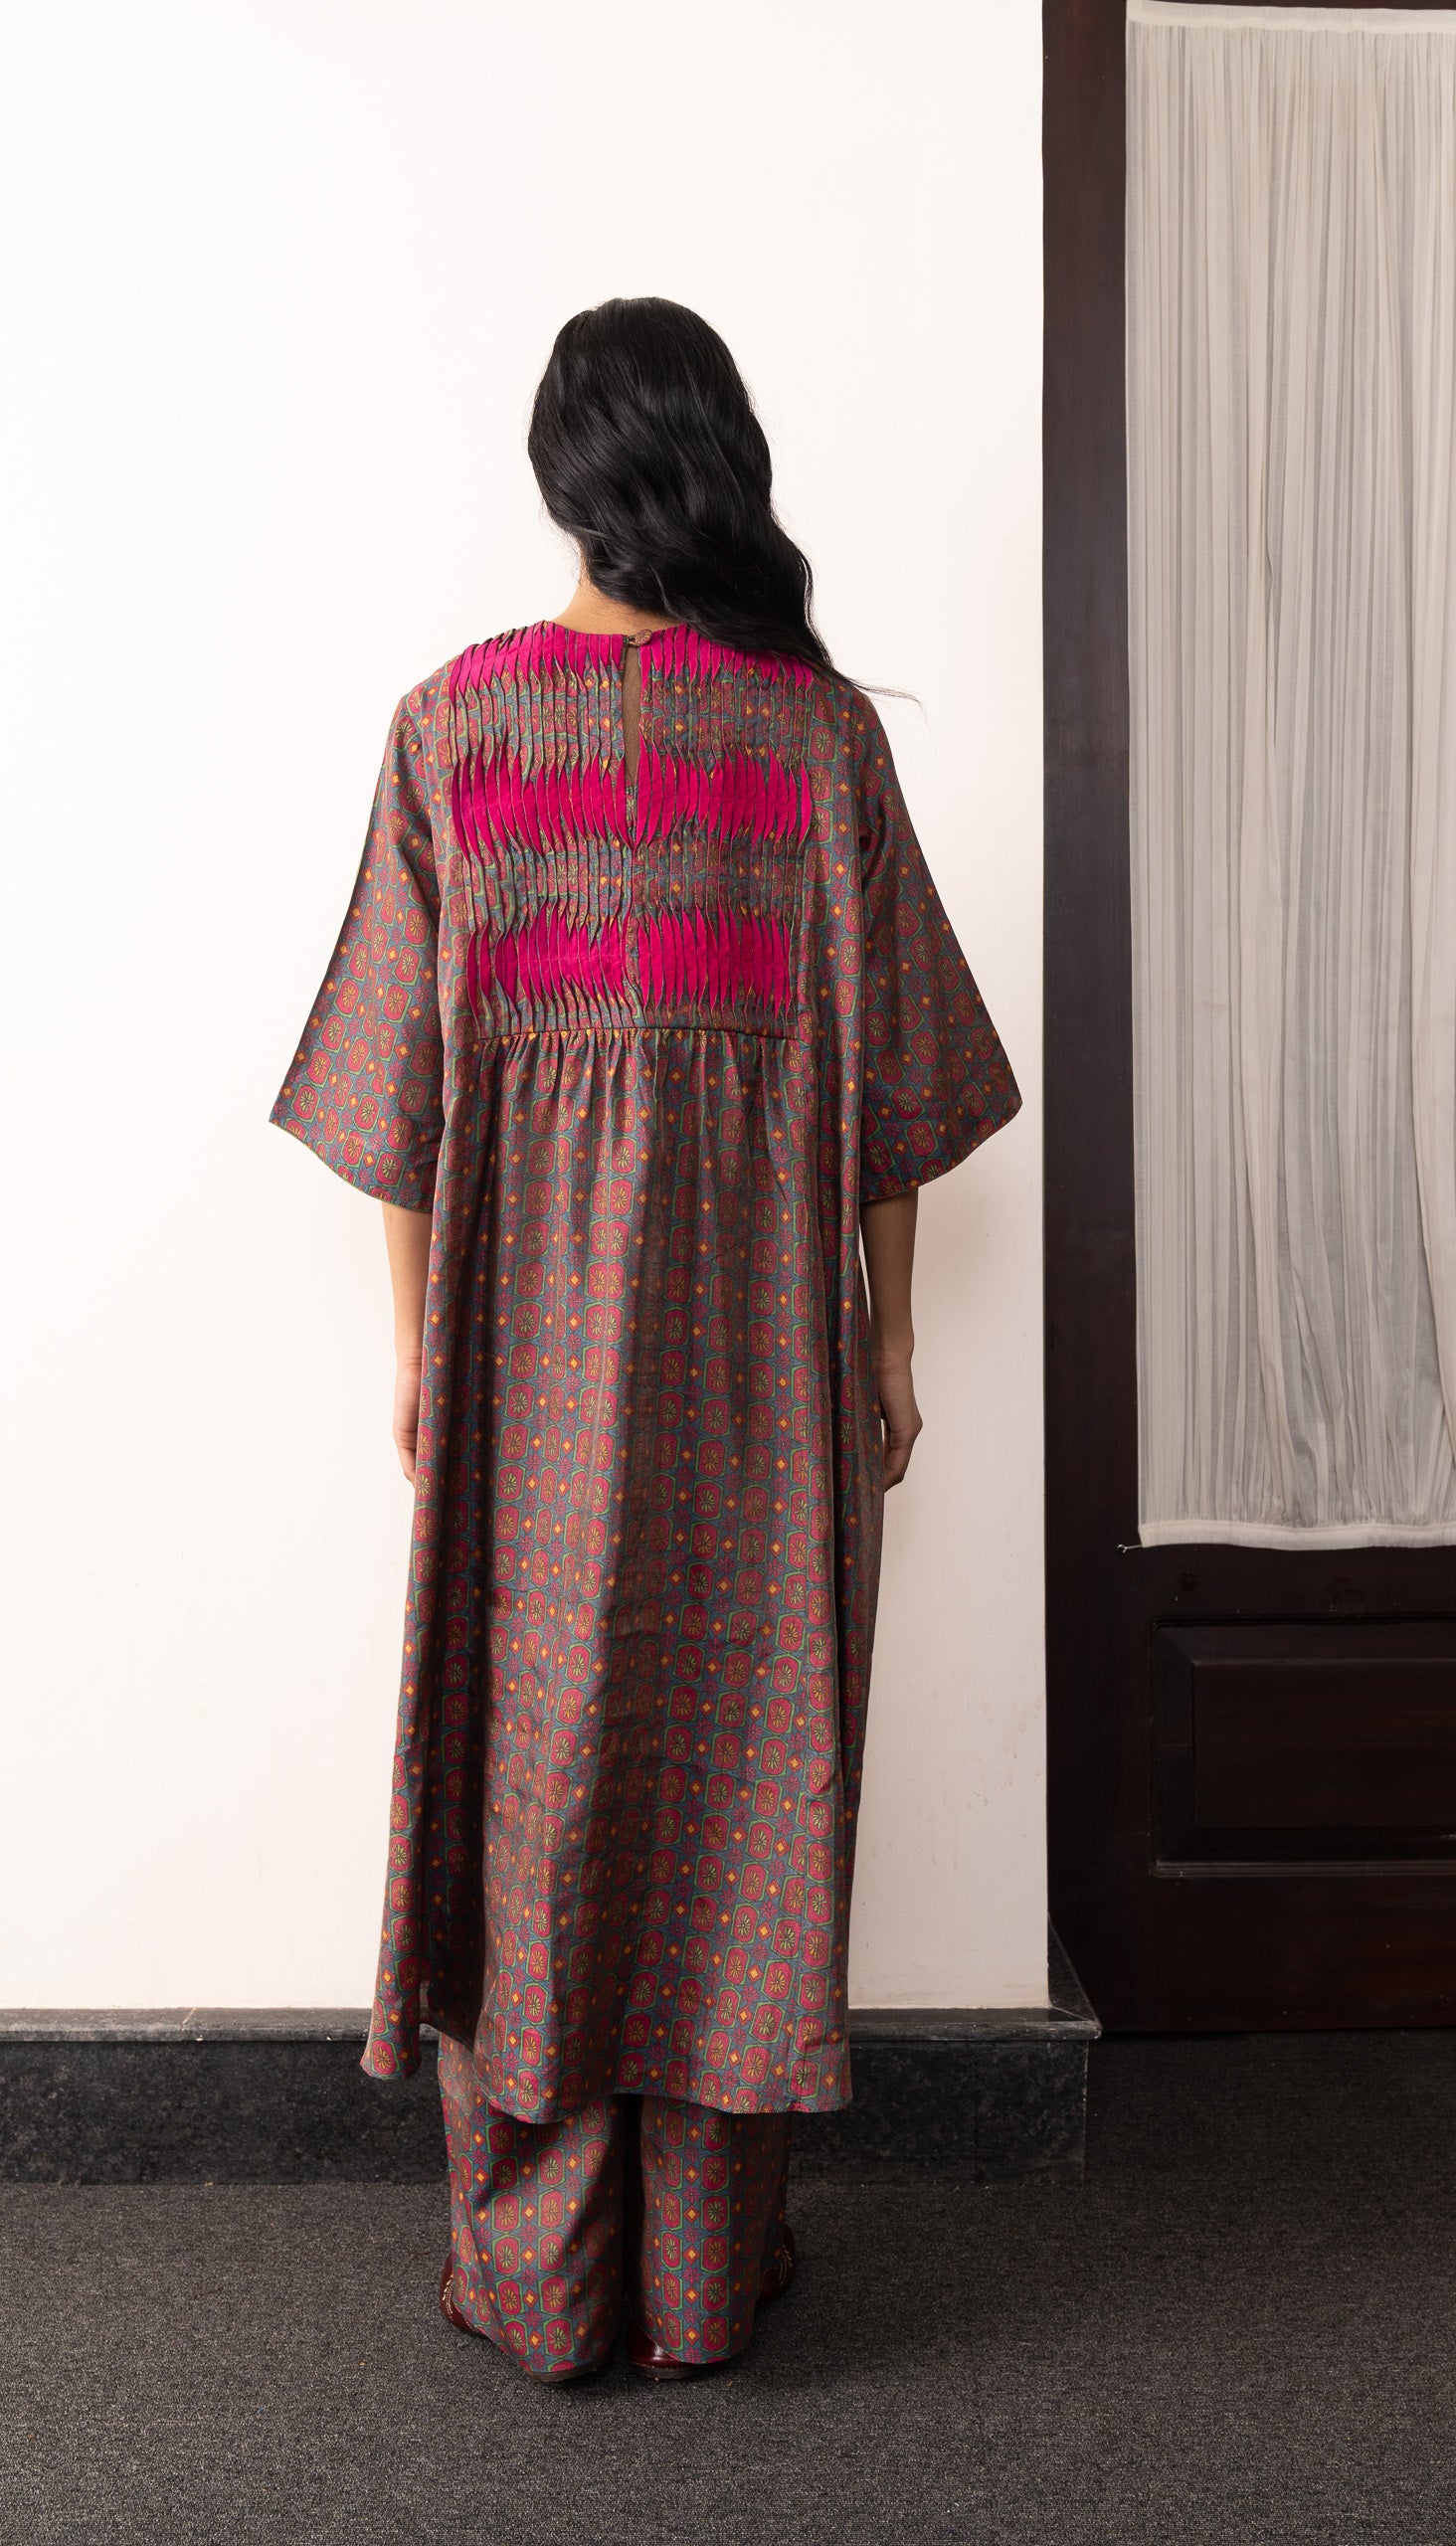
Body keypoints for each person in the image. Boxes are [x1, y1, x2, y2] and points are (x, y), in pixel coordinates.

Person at [272, 296, 1020, 2383]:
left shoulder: (449, 727)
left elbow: (401, 1108)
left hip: (521, 1378)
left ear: (559, 479)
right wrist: (883, 1341)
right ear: (718, 460)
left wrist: (418, 1353)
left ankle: (538, 2279)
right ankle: (701, 2276)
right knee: (740, 1775)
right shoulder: (815, 740)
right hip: (761, 1375)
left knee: (533, 1775)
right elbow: (899, 1098)